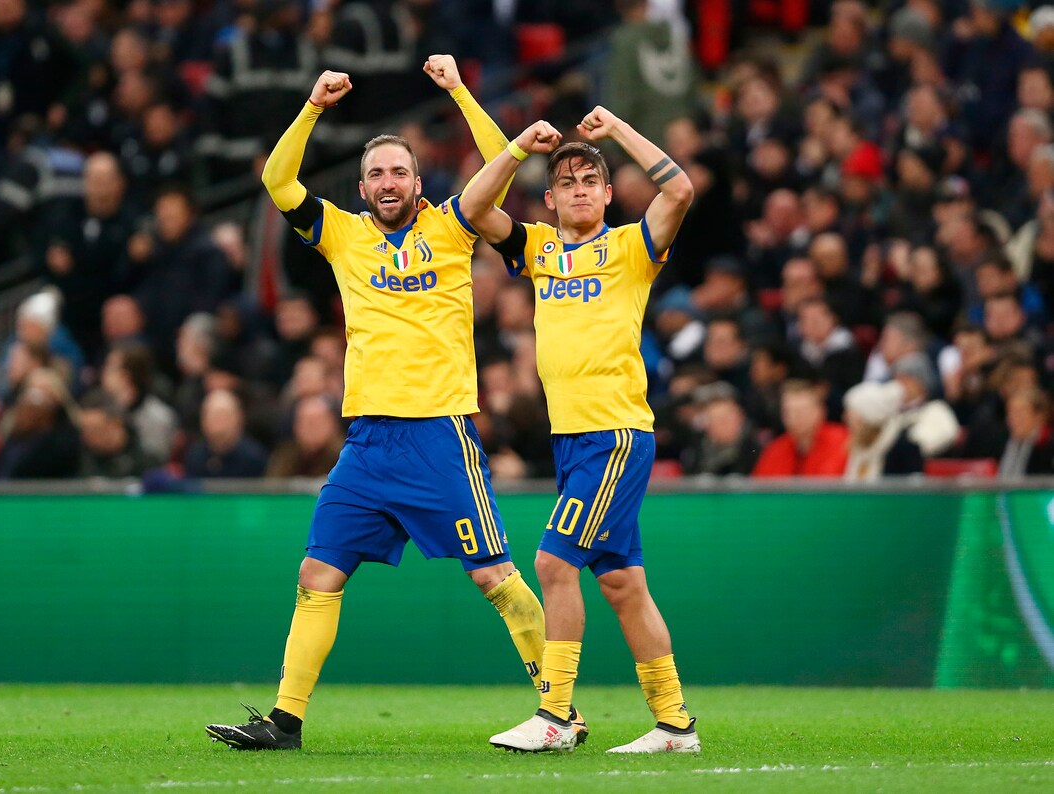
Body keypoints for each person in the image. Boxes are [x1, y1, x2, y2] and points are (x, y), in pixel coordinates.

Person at [205, 56, 558, 752]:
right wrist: (312, 106)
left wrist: (461, 92)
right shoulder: (344, 234)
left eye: (400, 171)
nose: (388, 182)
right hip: (367, 445)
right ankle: (284, 721)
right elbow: (278, 181)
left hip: (439, 437)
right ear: (362, 187)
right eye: (377, 174)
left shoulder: (454, 225)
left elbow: (500, 173)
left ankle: (559, 707)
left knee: (494, 576)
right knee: (317, 573)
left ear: (418, 183)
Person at [458, 106, 699, 753]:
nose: (580, 189)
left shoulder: (631, 248)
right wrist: (517, 146)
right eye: (566, 182)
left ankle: (556, 715)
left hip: (614, 434)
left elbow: (680, 189)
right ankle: (675, 725)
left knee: (552, 562)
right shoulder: (537, 248)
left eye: (591, 180)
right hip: (573, 440)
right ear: (551, 198)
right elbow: (474, 209)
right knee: (622, 584)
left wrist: (616, 129)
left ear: (609, 192)